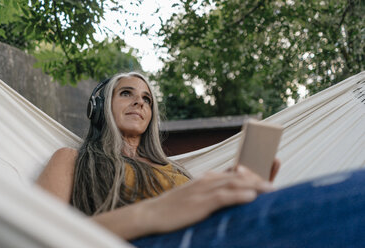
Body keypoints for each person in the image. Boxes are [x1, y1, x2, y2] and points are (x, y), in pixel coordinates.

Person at [37, 72, 365, 247]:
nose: (139, 102)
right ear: (98, 106)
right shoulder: (71, 159)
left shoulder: (173, 169)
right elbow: (33, 234)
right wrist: (156, 211)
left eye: (146, 99)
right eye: (126, 93)